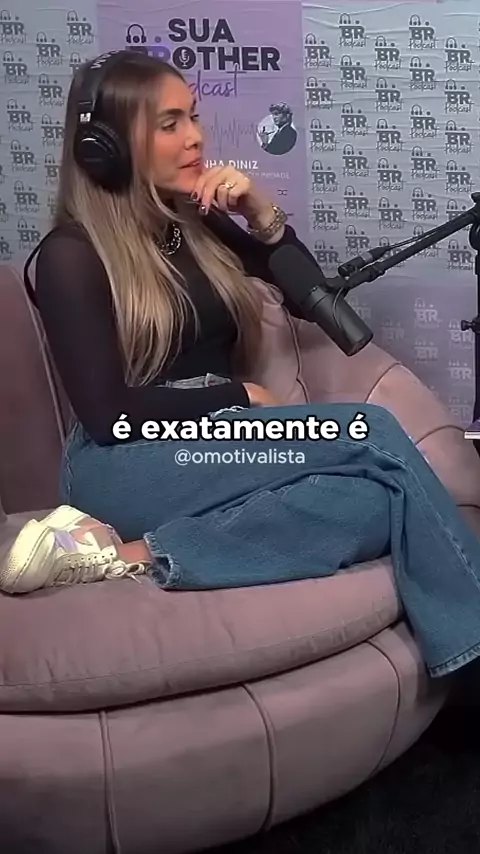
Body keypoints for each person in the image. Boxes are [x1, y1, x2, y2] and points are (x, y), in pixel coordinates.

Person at [2, 49, 480, 682]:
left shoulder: (192, 224)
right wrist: (239, 397)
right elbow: (107, 415)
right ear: (105, 148)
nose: (195, 137)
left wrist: (261, 215)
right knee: (374, 433)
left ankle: (135, 553)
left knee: (375, 499)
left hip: (217, 444)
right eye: (169, 123)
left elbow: (313, 301)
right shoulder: (70, 255)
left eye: (193, 116)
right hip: (126, 458)